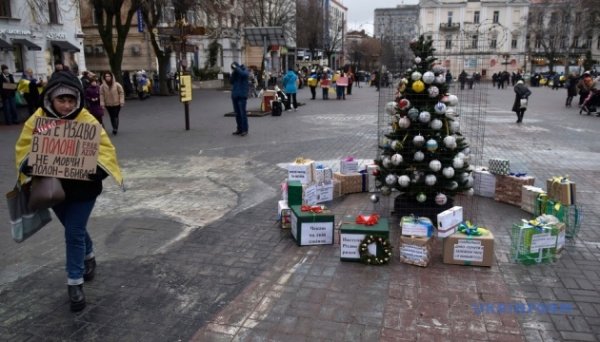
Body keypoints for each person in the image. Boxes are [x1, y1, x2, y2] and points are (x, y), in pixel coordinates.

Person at [14, 71, 124, 312]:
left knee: (73, 232)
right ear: (50, 99)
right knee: (74, 229)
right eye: (61, 100)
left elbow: (106, 152)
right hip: (52, 189)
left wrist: (95, 170)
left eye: (71, 100)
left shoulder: (87, 120)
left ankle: (74, 283)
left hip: (84, 190)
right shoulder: (37, 121)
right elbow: (23, 149)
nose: (66, 106)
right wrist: (32, 163)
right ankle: (89, 254)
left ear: (78, 100)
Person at [99, 71, 125, 136]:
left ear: (111, 76)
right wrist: (102, 103)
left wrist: (121, 101)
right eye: (106, 76)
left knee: (115, 115)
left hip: (117, 103)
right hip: (108, 104)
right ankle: (114, 127)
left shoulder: (117, 85)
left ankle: (115, 128)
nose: (108, 78)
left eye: (109, 76)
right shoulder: (102, 86)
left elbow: (121, 93)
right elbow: (101, 95)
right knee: (111, 116)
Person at [230, 62, 249, 136]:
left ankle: (245, 130)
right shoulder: (235, 73)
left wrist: (236, 69)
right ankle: (239, 129)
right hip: (235, 95)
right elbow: (231, 81)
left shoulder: (244, 70)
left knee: (242, 113)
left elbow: (244, 75)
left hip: (242, 96)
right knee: (237, 114)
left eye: (233, 67)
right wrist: (233, 73)